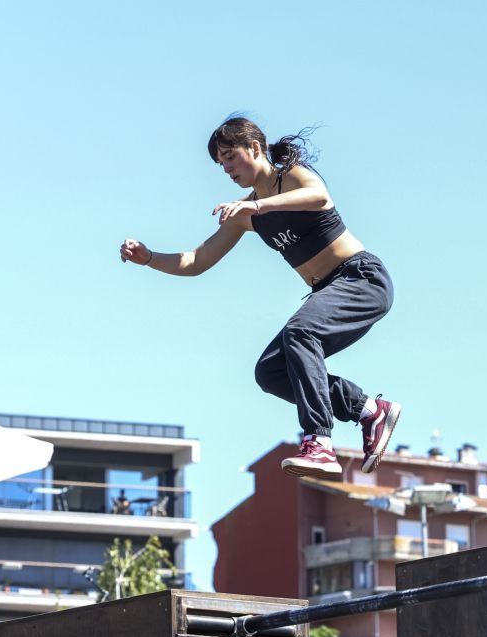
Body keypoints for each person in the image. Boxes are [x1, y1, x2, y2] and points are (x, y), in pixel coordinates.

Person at [120, 117, 401, 479]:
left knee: (301, 332)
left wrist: (258, 207)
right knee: (270, 371)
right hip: (328, 290)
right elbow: (195, 261)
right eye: (221, 165)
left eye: (231, 158)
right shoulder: (244, 213)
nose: (227, 170)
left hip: (360, 279)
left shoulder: (292, 177)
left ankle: (318, 441)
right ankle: (367, 409)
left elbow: (320, 197)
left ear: (255, 148)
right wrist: (149, 259)